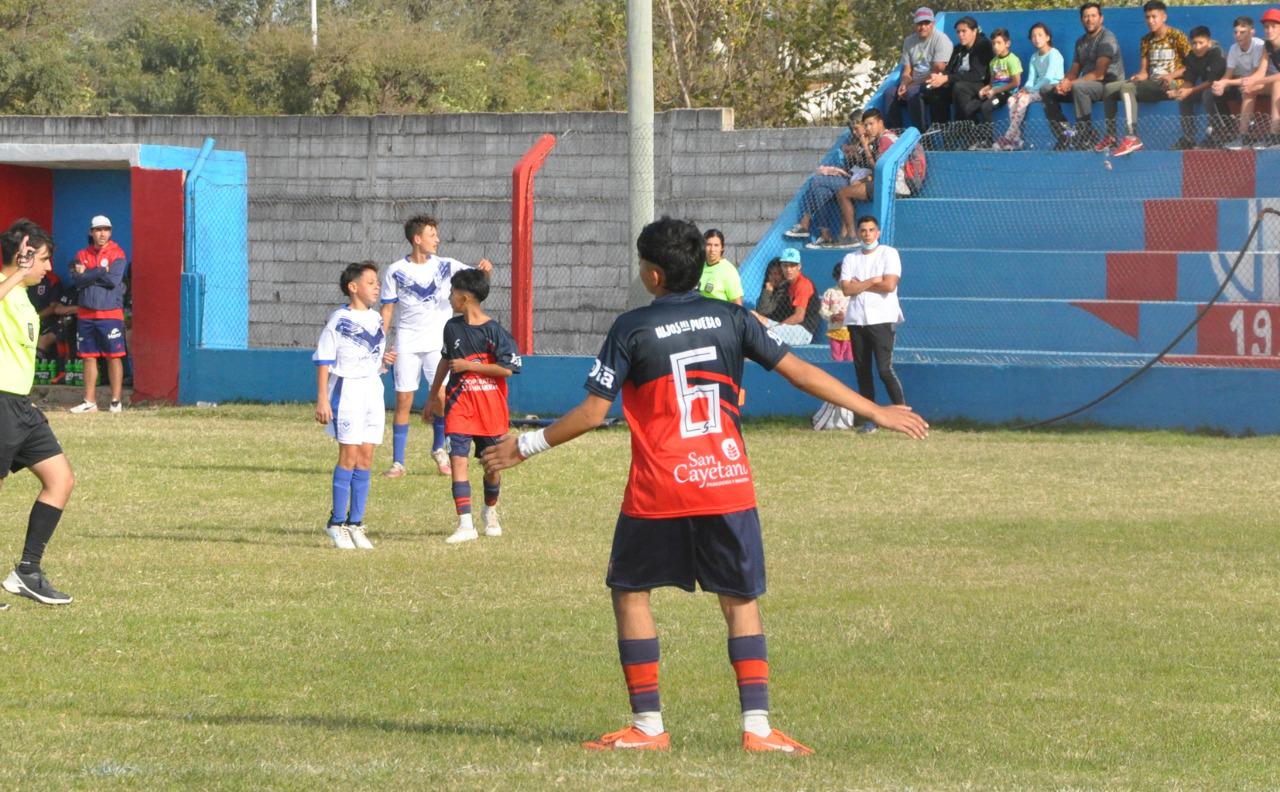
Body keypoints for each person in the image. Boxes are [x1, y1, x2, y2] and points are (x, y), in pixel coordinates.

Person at [479, 216, 929, 754]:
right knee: (740, 600)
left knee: (630, 593)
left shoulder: (632, 328)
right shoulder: (733, 317)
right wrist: (873, 409)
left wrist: (524, 446)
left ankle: (648, 728)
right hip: (725, 483)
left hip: (659, 489)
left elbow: (594, 412)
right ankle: (758, 730)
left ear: (652, 275)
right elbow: (799, 373)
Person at [381, 214, 493, 479]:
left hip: (437, 344)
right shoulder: (396, 270)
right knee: (403, 400)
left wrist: (486, 270)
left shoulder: (447, 265)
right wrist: (380, 345)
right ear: (417, 239)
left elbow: (476, 279)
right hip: (407, 341)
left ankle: (438, 449)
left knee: (442, 398)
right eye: (432, 235)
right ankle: (398, 462)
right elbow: (387, 310)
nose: (437, 240)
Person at [0, 220, 75, 606]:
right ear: (22, 256)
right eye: (43, 259)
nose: (47, 268)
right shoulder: (6, 286)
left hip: (19, 406)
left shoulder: (22, 297)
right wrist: (17, 272)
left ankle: (27, 571)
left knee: (60, 478)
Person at [428, 269, 521, 544]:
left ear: (464, 297)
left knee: (492, 466)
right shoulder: (452, 327)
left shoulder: (495, 331)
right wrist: (434, 395)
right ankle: (465, 523)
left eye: (452, 292)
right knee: (458, 458)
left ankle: (490, 511)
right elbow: (445, 361)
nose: (449, 297)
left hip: (490, 409)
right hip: (460, 405)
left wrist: (471, 366)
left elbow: (508, 369)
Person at [314, 261, 396, 550]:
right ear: (353, 287)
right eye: (371, 282)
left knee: (366, 457)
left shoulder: (375, 320)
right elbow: (324, 359)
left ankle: (356, 523)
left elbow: (372, 355)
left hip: (372, 390)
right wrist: (323, 398)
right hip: (347, 391)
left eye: (377, 282)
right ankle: (336, 523)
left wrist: (383, 363)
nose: (376, 287)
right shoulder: (339, 319)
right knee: (348, 455)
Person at [840, 216, 906, 434]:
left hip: (882, 319)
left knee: (884, 369)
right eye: (863, 230)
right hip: (857, 320)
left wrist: (860, 284)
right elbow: (847, 290)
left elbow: (888, 285)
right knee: (862, 370)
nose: (867, 234)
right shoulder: (851, 257)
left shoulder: (889, 253)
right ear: (858, 233)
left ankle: (903, 415)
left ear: (877, 233)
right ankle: (871, 419)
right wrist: (871, 281)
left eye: (871, 230)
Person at [1098, 0, 1189, 157]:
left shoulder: (1177, 36)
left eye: (1154, 17)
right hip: (1151, 82)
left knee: (1127, 88)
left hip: (1172, 83)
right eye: (1147, 17)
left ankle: (1132, 137)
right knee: (1109, 88)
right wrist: (1138, 76)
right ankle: (1111, 136)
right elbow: (1144, 71)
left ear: (1164, 17)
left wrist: (1170, 75)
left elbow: (1190, 66)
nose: (1150, 21)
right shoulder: (1146, 40)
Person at [784, 111, 875, 247]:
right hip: (849, 177)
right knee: (820, 191)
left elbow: (873, 168)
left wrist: (862, 149)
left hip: (858, 182)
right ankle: (825, 235)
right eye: (852, 130)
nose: (855, 132)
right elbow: (852, 168)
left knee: (817, 181)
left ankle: (805, 222)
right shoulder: (856, 142)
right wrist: (846, 161)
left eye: (857, 128)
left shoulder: (872, 141)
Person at [1043, 2, 1125, 151]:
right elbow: (1074, 69)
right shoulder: (1080, 42)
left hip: (1108, 85)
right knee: (1046, 90)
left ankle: (1086, 135)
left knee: (1079, 87)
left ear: (1101, 18)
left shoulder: (1107, 38)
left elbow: (1099, 74)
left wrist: (1072, 84)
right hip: (1087, 84)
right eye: (1086, 16)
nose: (1089, 19)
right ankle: (1065, 134)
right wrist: (1064, 82)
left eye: (1093, 15)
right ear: (1081, 20)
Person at [68, 214, 128, 414]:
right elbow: (77, 281)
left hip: (110, 314)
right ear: (91, 232)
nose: (102, 233)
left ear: (110, 232)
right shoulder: (80, 254)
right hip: (86, 314)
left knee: (113, 356)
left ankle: (115, 401)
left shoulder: (117, 253)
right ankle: (90, 401)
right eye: (98, 230)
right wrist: (101, 272)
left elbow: (113, 280)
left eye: (106, 229)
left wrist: (88, 274)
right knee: (88, 357)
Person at [923, 16, 993, 142]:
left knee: (959, 87)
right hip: (959, 82)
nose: (961, 35)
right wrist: (939, 78)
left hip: (981, 84)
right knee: (933, 90)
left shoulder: (983, 45)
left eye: (964, 31)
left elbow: (977, 74)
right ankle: (942, 129)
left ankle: (970, 129)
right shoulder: (958, 48)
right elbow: (949, 71)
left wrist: (948, 78)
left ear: (974, 31)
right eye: (958, 32)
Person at [999, 22, 1065, 150]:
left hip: (1051, 89)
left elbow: (1048, 78)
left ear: (1048, 37)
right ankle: (1017, 139)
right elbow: (1031, 79)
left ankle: (1008, 135)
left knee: (1024, 99)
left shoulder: (1054, 54)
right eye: (1033, 36)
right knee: (1012, 99)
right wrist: (1025, 88)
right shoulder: (1034, 57)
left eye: (1040, 35)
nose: (1036, 39)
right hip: (1036, 89)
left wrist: (1030, 92)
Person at [889, 7, 954, 134]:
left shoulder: (941, 40)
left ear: (933, 24)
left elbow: (938, 70)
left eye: (926, 23)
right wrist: (904, 83)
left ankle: (923, 135)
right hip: (914, 82)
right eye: (919, 23)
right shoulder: (909, 41)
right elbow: (907, 70)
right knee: (889, 93)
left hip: (934, 83)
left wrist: (912, 85)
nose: (922, 27)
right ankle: (896, 135)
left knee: (913, 91)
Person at [1171, 26, 1228, 149]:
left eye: (1201, 43)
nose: (1197, 47)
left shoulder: (1216, 52)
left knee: (1207, 94)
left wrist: (1190, 90)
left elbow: (1212, 81)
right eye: (1194, 43)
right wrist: (1180, 91)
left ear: (1209, 42)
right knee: (1185, 98)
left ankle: (1216, 135)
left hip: (1224, 87)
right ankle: (1188, 138)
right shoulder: (1191, 56)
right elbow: (1189, 81)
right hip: (1206, 87)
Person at [751, 248, 820, 346]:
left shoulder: (803, 284)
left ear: (799, 266)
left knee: (766, 334)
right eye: (785, 266)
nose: (788, 270)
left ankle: (748, 360)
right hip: (787, 327)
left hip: (803, 331)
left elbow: (799, 317)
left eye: (792, 266)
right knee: (752, 315)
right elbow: (762, 311)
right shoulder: (789, 284)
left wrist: (777, 327)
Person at [1236, 9, 1280, 149]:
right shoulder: (1267, 45)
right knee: (1250, 89)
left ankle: (1274, 135)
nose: (1269, 30)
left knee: (1277, 84)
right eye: (1267, 27)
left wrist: (1257, 81)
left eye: (1274, 27)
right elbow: (1261, 72)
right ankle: (1243, 136)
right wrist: (1248, 82)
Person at [978, 28, 1024, 147]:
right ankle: (976, 138)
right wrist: (986, 89)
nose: (995, 46)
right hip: (995, 92)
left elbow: (1016, 82)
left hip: (1007, 93)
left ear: (1007, 43)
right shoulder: (993, 62)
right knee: (974, 104)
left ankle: (987, 140)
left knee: (986, 107)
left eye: (999, 43)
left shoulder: (1012, 60)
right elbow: (992, 82)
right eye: (993, 43)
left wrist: (996, 90)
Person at [698, 229, 743, 304]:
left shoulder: (728, 270)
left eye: (716, 245)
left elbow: (737, 305)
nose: (712, 249)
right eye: (709, 245)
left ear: (722, 248)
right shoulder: (698, 267)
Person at [819, 263, 852, 362]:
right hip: (835, 331)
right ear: (836, 277)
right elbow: (822, 310)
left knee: (851, 358)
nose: (843, 281)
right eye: (840, 277)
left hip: (851, 332)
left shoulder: (854, 293)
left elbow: (859, 311)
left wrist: (846, 317)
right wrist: (832, 317)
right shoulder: (830, 292)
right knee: (837, 357)